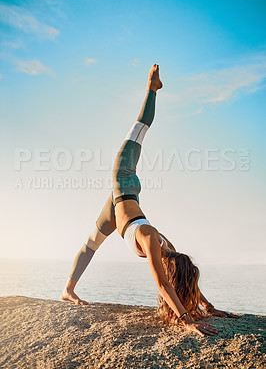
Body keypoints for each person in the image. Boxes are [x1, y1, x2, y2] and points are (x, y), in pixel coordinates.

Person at [61, 64, 238, 337]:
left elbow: (171, 283)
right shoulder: (157, 241)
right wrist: (187, 319)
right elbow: (164, 286)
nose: (169, 272)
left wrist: (208, 306)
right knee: (140, 128)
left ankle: (67, 290)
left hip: (117, 207)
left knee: (90, 245)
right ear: (174, 267)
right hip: (124, 181)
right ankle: (152, 89)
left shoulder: (161, 246)